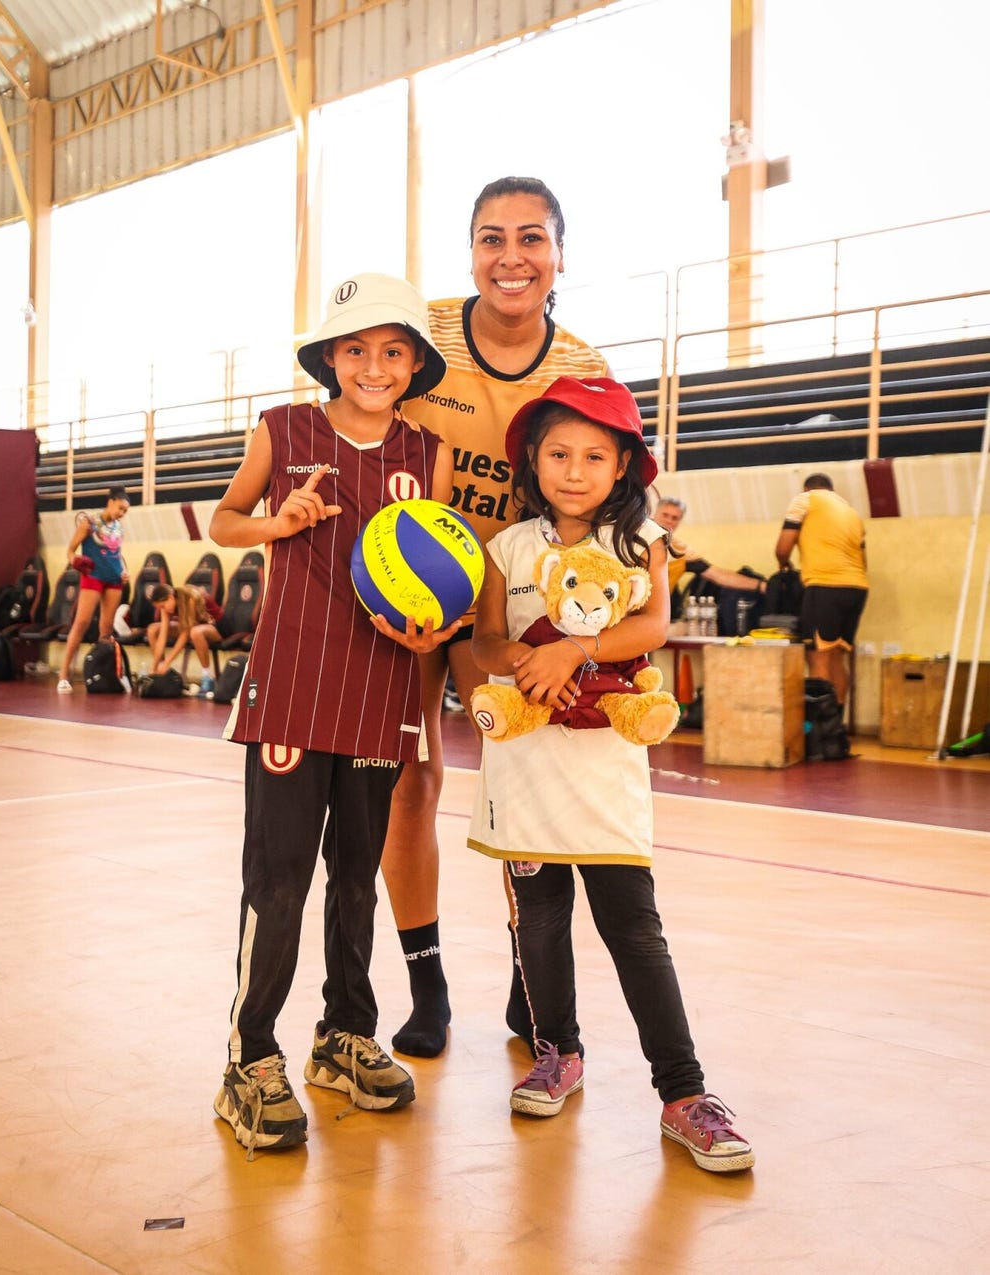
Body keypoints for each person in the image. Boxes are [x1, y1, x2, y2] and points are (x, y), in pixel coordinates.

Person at [469, 375, 754, 1173]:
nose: (574, 469)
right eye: (558, 452)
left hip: (605, 771)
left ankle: (683, 1091)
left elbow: (654, 624)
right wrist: (527, 659)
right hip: (524, 765)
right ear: (533, 460)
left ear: (625, 464)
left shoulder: (642, 544)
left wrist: (577, 648)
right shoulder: (508, 547)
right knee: (541, 918)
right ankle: (558, 1051)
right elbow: (486, 643)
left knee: (633, 926)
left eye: (595, 454)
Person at [209, 273, 459, 1157]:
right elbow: (222, 523)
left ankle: (345, 1034)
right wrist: (279, 522)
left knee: (357, 879)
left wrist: (444, 619)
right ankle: (249, 1057)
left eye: (393, 351)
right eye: (355, 348)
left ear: (414, 362)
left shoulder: (426, 450)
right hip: (292, 686)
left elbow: (438, 569)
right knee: (278, 883)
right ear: (328, 357)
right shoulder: (283, 428)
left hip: (381, 693)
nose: (374, 365)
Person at [381, 175, 611, 1059]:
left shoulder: (584, 366)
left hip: (512, 607)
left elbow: (606, 482)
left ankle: (531, 972)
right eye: (491, 238)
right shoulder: (419, 335)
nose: (510, 257)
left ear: (559, 253)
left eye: (530, 238)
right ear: (469, 249)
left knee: (521, 792)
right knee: (411, 785)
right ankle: (427, 981)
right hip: (410, 596)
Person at [775, 472, 868, 711]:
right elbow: (863, 560)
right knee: (836, 657)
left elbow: (783, 547)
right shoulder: (852, 513)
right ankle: (834, 730)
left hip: (825, 586)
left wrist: (783, 563)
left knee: (818, 657)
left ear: (808, 488)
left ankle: (819, 731)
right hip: (857, 588)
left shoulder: (805, 500)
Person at [56, 485, 131, 692]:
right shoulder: (88, 522)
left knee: (106, 631)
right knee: (81, 623)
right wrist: (75, 561)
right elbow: (70, 550)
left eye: (125, 511)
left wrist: (124, 571)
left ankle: (102, 674)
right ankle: (64, 675)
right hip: (93, 577)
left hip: (114, 580)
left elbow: (117, 554)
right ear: (111, 501)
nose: (121, 514)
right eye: (120, 508)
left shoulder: (118, 527)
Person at [653, 495, 768, 601]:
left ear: (679, 521)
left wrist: (762, 585)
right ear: (655, 514)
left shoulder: (679, 550)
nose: (669, 521)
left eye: (675, 518)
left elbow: (718, 576)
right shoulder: (638, 538)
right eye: (665, 515)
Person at [146, 583, 227, 694]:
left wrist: (167, 663)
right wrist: (154, 667)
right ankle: (162, 675)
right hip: (194, 627)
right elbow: (162, 637)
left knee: (195, 632)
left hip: (216, 627)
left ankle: (207, 677)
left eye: (163, 606)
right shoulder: (165, 606)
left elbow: (184, 636)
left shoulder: (190, 598)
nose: (162, 609)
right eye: (160, 608)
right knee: (153, 629)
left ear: (170, 597)